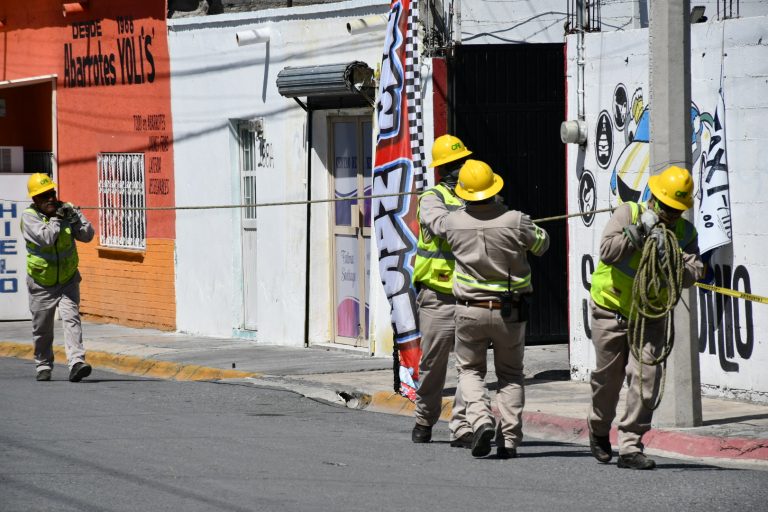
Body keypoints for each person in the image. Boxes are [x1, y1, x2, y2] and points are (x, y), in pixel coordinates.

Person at [587, 165, 704, 470]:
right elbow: (607, 252)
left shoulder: (685, 234)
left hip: (649, 314)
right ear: (654, 197)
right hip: (610, 307)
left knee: (647, 380)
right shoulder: (629, 214)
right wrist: (639, 233)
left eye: (677, 210)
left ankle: (629, 446)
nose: (670, 214)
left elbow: (695, 271)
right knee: (608, 381)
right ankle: (599, 428)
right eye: (666, 207)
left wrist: (676, 262)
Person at [443, 160, 549, 459]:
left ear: (463, 193)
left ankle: (481, 420)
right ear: (494, 188)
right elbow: (542, 245)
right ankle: (510, 440)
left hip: (468, 309)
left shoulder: (453, 222)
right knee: (511, 374)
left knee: (470, 370)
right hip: (510, 309)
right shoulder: (515, 220)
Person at [411, 134, 473, 447]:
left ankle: (462, 428)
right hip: (436, 298)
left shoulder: (479, 195)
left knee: (470, 368)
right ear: (440, 170)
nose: (457, 168)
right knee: (433, 366)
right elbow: (441, 226)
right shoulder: (431, 199)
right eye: (450, 164)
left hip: (470, 296)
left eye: (460, 162)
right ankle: (424, 417)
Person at [21, 173, 95, 383]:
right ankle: (43, 364)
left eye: (52, 193)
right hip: (41, 282)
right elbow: (46, 238)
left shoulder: (66, 210)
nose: (51, 198)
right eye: (45, 196)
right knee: (42, 329)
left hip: (67, 280)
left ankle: (77, 363)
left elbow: (87, 235)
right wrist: (57, 219)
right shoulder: (29, 217)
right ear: (35, 200)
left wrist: (74, 217)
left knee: (72, 319)